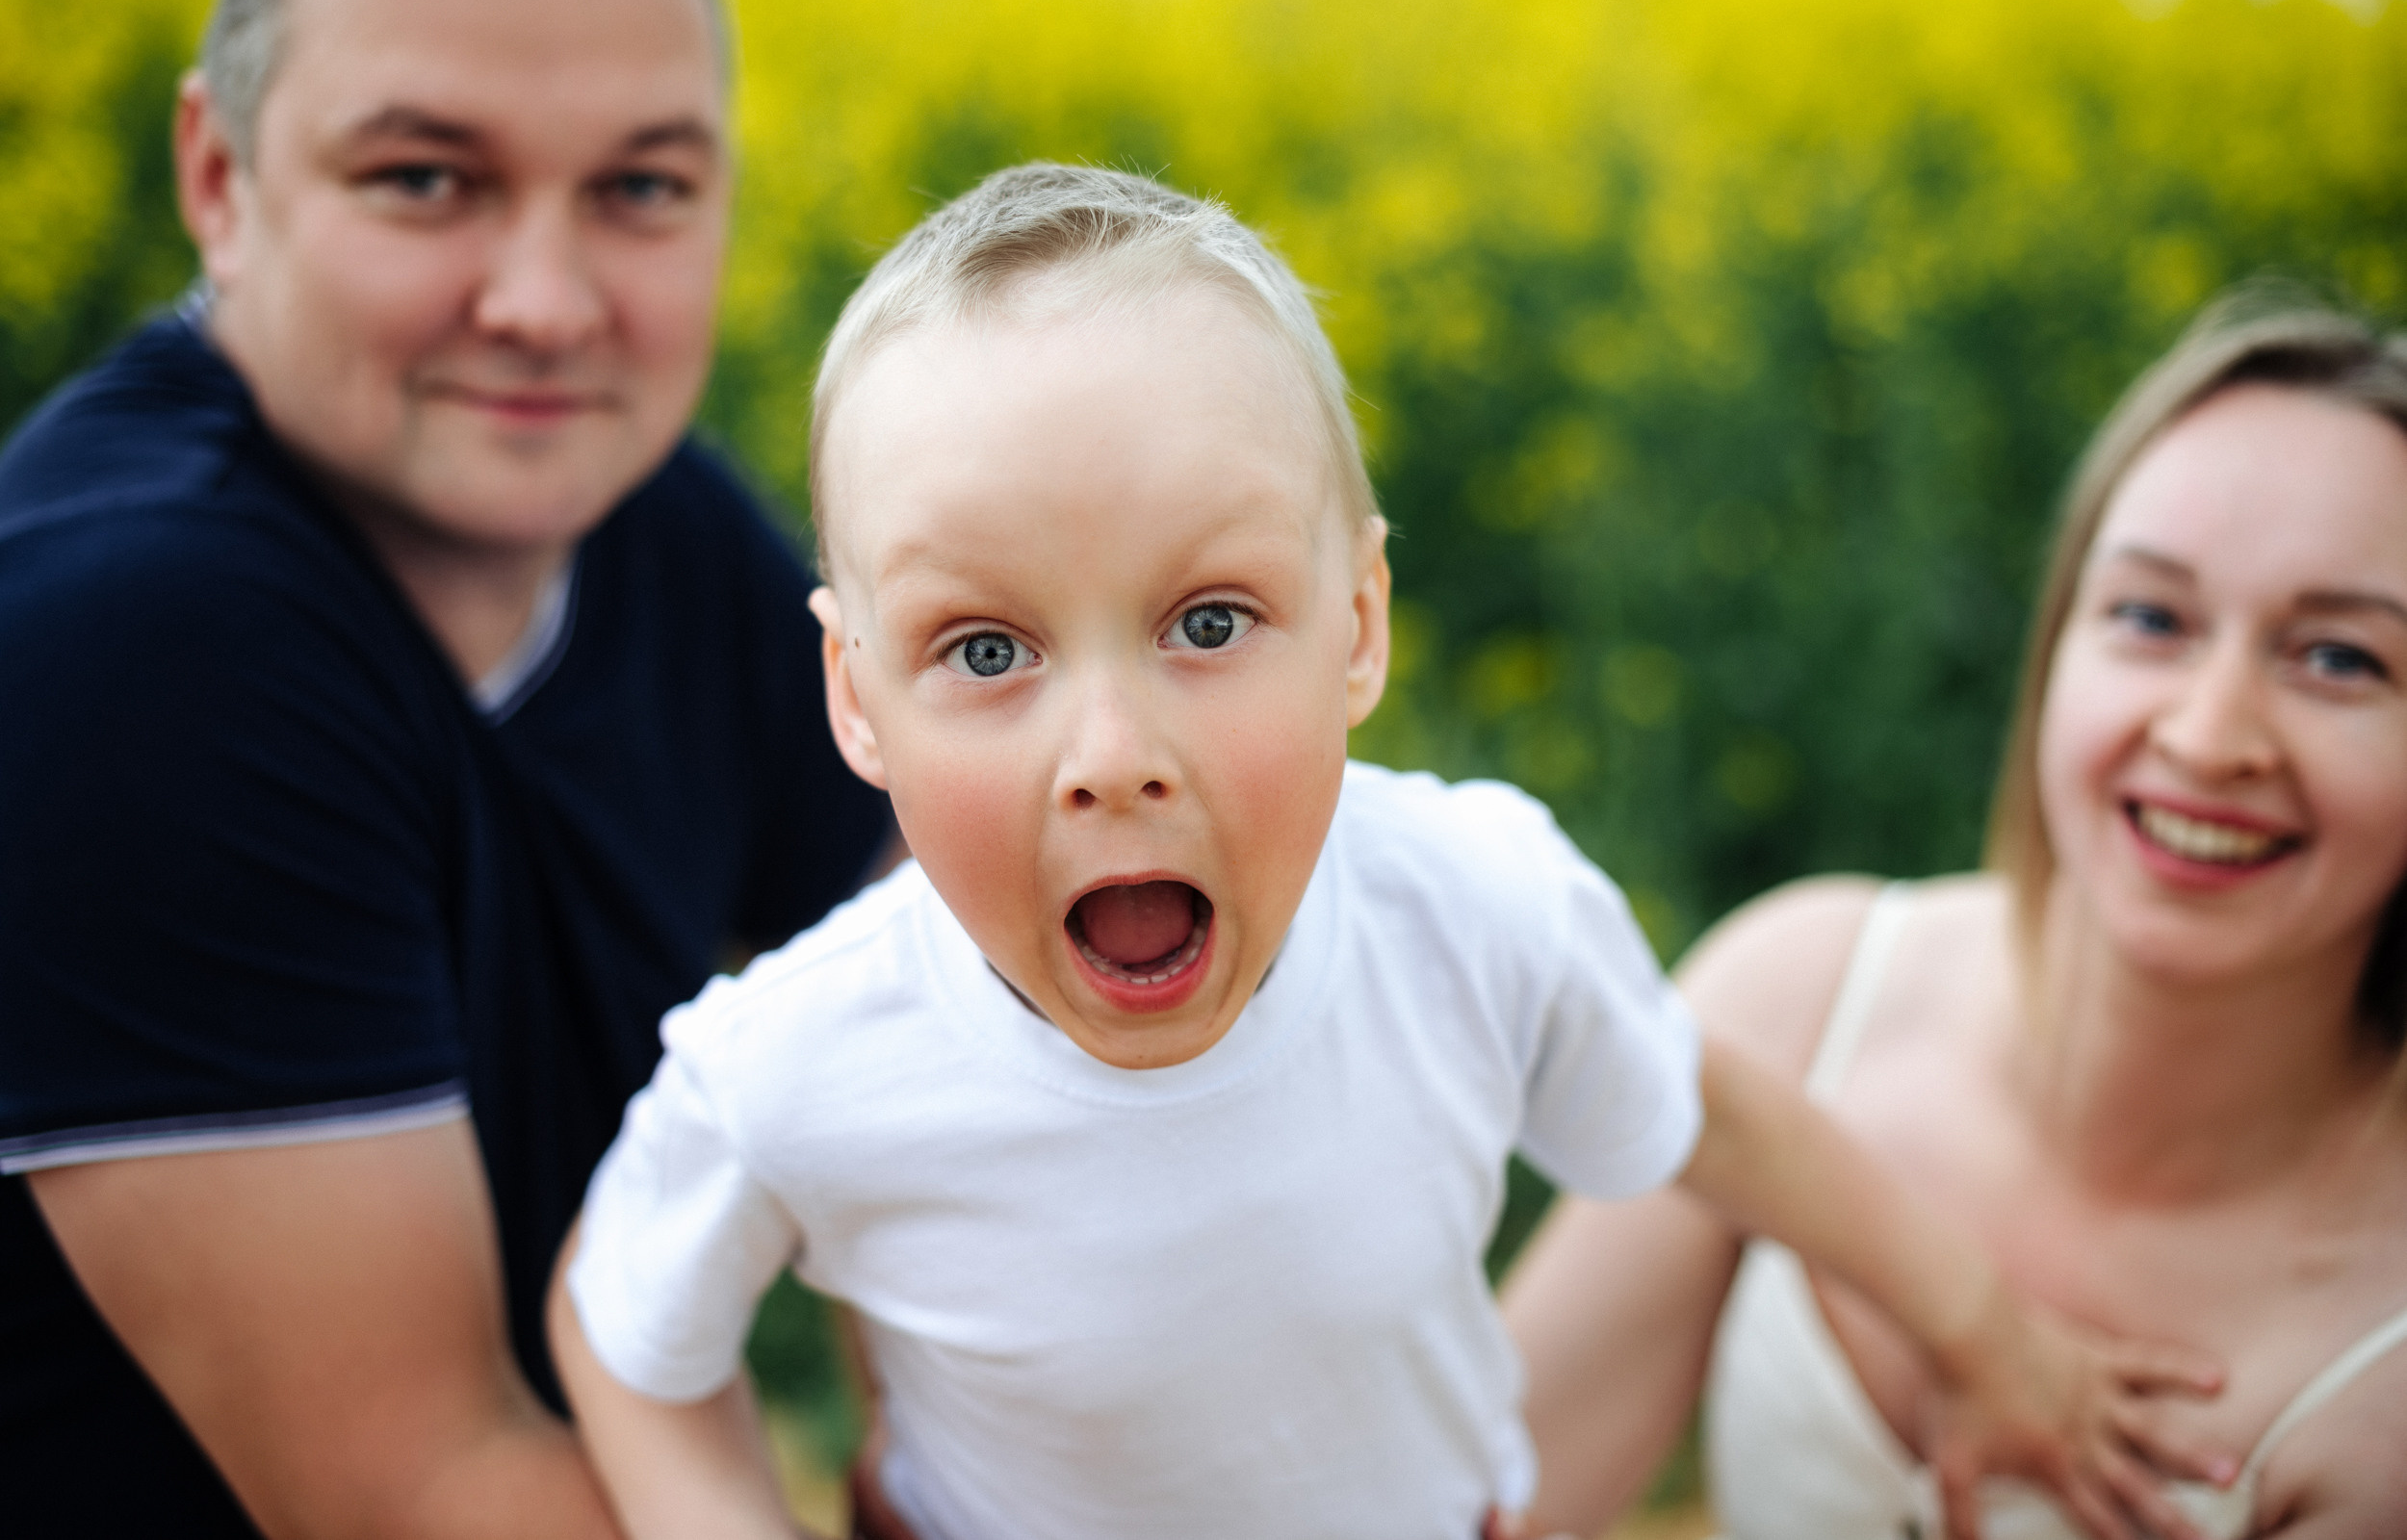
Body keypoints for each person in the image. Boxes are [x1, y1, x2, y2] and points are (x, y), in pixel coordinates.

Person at [543, 163, 2221, 1540]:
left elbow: (1719, 1114)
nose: (1112, 761)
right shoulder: (797, 1056)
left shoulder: (1470, 906)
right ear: (855, 698)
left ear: (1357, 626)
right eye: (985, 652)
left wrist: (1991, 1336)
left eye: (1210, 619)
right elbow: (622, 1328)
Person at [0, 0, 888, 1534]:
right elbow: (428, 1484)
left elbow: (965, 967)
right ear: (220, 176)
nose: (544, 308)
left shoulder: (645, 523)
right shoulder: (132, 635)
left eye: (642, 190)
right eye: (426, 179)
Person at [1503, 289, 2407, 1538]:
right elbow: (1467, 1500)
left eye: (2340, 658)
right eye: (2149, 617)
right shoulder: (1796, 991)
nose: (2207, 736)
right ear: (2055, 646)